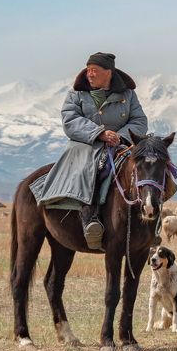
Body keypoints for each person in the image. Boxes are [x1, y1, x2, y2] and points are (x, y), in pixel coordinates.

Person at [33, 52, 148, 249]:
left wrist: (120, 136)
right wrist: (99, 133)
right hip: (84, 145)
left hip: (120, 145)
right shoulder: (76, 94)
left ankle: (149, 223)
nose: (90, 74)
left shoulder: (128, 95)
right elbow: (69, 120)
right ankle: (90, 216)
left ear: (108, 73)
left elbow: (139, 121)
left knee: (148, 167)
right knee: (87, 169)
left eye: (94, 70)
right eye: (88, 70)